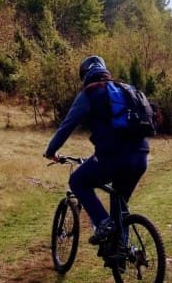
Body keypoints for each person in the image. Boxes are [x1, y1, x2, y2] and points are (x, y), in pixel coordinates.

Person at [43, 55, 149, 246]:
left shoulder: (90, 93)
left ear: (84, 75)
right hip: (141, 156)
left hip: (112, 157)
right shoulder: (126, 89)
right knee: (120, 205)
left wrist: (51, 150)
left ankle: (102, 222)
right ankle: (122, 251)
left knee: (77, 181)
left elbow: (68, 125)